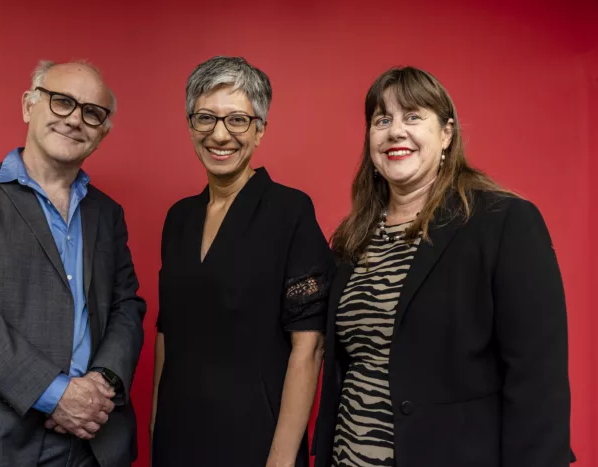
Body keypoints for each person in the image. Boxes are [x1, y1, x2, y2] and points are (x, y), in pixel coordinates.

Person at [313, 66, 573, 467]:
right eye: (383, 120)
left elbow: (539, 381)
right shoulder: (352, 239)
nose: (396, 131)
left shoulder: (503, 221)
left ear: (447, 133)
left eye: (413, 116)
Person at [0, 60, 146, 467]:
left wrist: (103, 382)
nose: (75, 120)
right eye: (62, 102)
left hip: (93, 442)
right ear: (29, 105)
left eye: (91, 112)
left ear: (102, 132)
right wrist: (56, 394)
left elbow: (126, 307)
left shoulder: (108, 214)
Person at [149, 56, 335, 467]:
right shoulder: (178, 217)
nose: (220, 134)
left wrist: (282, 460)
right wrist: (155, 429)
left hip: (256, 440)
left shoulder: (290, 211)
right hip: (178, 438)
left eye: (237, 120)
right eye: (206, 118)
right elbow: (167, 331)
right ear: (190, 124)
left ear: (260, 129)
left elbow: (310, 347)